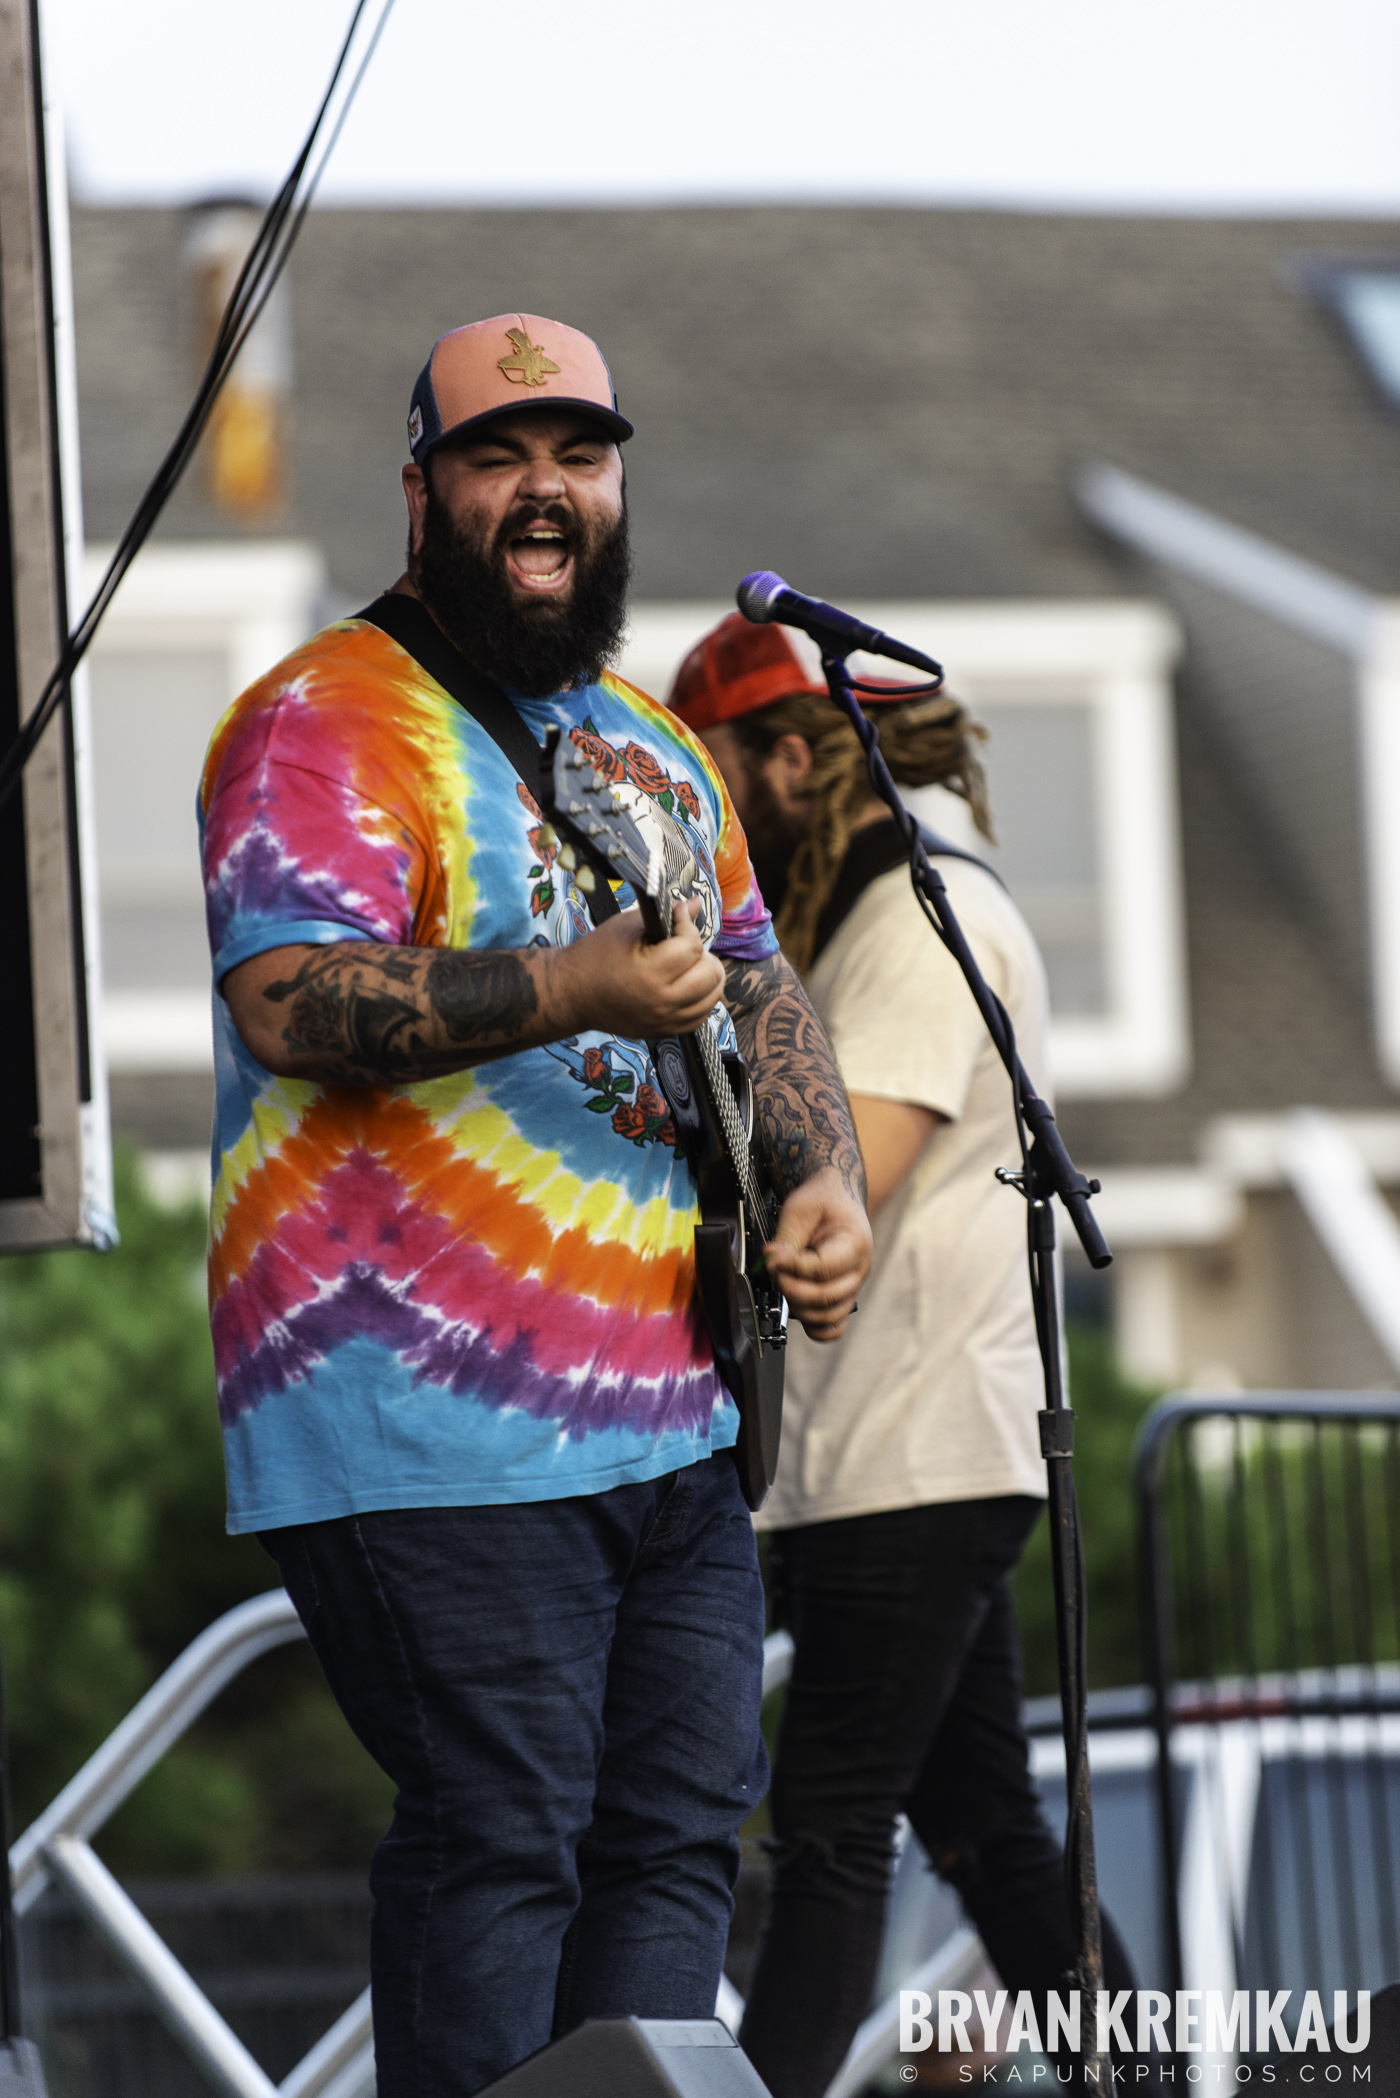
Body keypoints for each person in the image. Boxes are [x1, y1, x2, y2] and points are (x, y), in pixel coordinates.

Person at [198, 316, 873, 2097]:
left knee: (673, 1842)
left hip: (669, 1413)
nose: (545, 489)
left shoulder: (654, 742)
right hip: (423, 1416)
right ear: (423, 492)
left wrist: (822, 1177)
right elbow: (289, 999)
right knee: (505, 1834)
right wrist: (564, 988)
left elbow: (757, 982)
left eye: (578, 452)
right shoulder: (314, 717)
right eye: (502, 456)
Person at [668, 613, 1140, 2098]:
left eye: (716, 776)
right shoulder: (859, 924)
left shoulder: (923, 927)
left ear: (794, 760)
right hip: (894, 1459)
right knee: (992, 1835)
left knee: (827, 1829)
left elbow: (830, 1188)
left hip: (913, 1465)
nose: (703, 817)